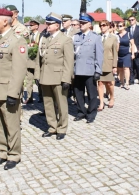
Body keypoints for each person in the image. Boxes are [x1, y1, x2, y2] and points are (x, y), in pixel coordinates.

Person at [0, 7, 27, 170]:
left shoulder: (17, 40)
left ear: (5, 20)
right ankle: (3, 151)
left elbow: (19, 69)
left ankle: (14, 154)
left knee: (11, 124)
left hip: (7, 90)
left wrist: (13, 93)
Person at [35, 12, 73, 140]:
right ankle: (52, 127)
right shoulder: (44, 38)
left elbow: (69, 61)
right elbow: (38, 59)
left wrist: (66, 79)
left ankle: (62, 128)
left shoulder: (65, 39)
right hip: (45, 76)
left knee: (61, 104)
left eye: (50, 24)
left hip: (58, 77)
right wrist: (37, 75)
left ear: (57, 25)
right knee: (48, 103)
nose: (47, 26)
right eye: (47, 23)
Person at [73, 13, 103, 123]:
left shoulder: (96, 37)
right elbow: (73, 55)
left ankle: (91, 113)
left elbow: (99, 55)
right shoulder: (76, 37)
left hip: (90, 70)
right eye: (80, 23)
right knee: (78, 93)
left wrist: (98, 70)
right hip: (78, 70)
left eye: (84, 23)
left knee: (92, 94)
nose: (81, 25)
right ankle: (81, 111)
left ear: (89, 24)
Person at [97, 20, 118, 110]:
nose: (102, 27)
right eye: (100, 25)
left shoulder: (113, 38)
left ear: (108, 26)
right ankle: (101, 103)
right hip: (99, 64)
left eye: (104, 25)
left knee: (109, 84)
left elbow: (115, 52)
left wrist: (114, 66)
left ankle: (112, 97)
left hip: (109, 64)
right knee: (100, 83)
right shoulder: (97, 37)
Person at [25, 19, 41, 104]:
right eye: (29, 25)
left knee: (38, 80)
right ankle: (29, 97)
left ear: (36, 26)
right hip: (29, 61)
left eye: (31, 25)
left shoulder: (40, 35)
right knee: (28, 80)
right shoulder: (28, 35)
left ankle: (40, 96)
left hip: (36, 61)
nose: (30, 27)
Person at [116, 21, 135, 90]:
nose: (119, 27)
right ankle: (122, 82)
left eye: (120, 26)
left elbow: (132, 44)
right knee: (120, 69)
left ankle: (127, 83)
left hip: (127, 53)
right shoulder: (116, 35)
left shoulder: (129, 34)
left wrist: (133, 54)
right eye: (118, 26)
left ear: (124, 27)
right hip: (119, 54)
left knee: (126, 68)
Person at [127, 16, 139, 85]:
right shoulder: (128, 29)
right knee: (131, 65)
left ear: (135, 20)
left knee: (137, 65)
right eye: (130, 20)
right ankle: (131, 79)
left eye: (132, 20)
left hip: (138, 49)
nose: (131, 21)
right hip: (130, 50)